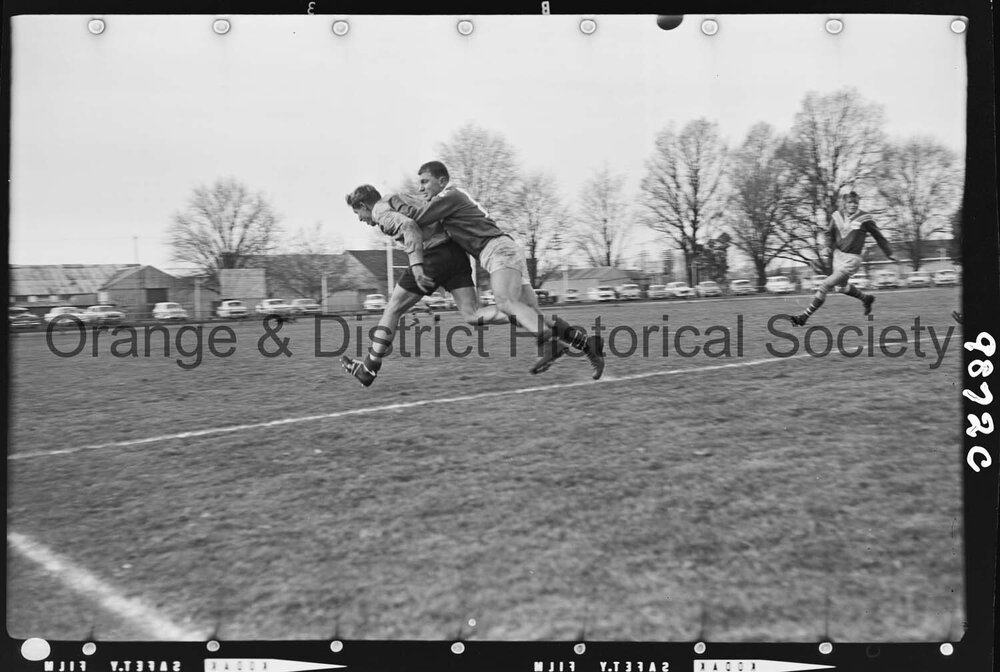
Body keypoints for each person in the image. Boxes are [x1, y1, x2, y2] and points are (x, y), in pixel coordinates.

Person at [409, 160, 605, 379]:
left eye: (425, 182)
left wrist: (389, 207)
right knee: (532, 313)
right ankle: (588, 346)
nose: (421, 188)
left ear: (442, 181)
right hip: (505, 250)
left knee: (506, 302)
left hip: (498, 251)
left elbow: (418, 218)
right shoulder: (450, 202)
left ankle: (548, 344)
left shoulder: (449, 195)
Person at [340, 185, 507, 387]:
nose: (360, 219)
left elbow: (409, 226)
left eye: (357, 213)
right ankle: (524, 313)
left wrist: (417, 266)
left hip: (432, 257)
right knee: (473, 314)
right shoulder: (400, 197)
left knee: (393, 308)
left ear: (363, 205)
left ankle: (369, 368)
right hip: (455, 253)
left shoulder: (380, 211)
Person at [790, 191, 895, 326]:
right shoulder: (836, 216)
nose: (853, 205)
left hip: (852, 259)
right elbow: (829, 234)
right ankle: (866, 299)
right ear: (845, 203)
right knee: (841, 288)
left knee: (825, 284)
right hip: (838, 256)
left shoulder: (865, 218)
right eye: (850, 202)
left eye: (855, 202)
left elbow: (878, 235)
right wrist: (827, 246)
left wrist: (889, 252)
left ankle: (803, 317)